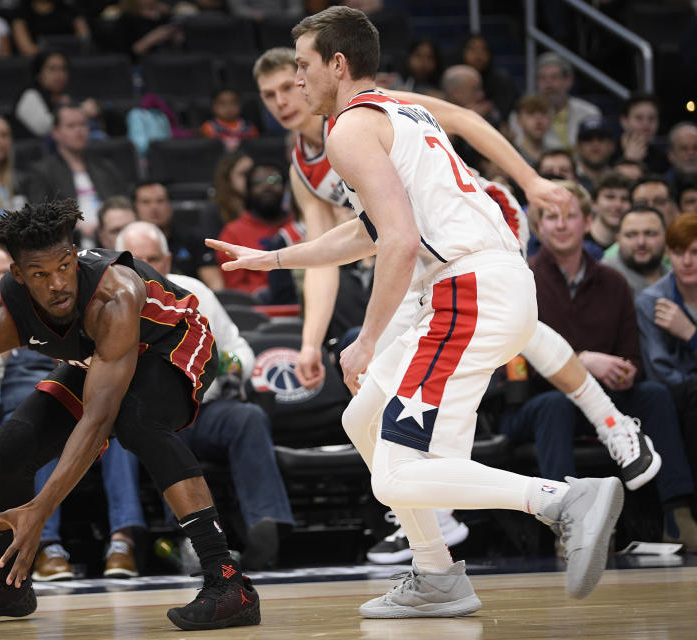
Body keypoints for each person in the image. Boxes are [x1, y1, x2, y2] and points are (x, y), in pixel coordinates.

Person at [212, 8, 625, 617]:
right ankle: (437, 575)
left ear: (337, 64)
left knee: (398, 476)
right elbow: (373, 229)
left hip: (467, 291)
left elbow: (399, 243)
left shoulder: (348, 129)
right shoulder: (399, 111)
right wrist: (271, 260)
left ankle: (563, 501)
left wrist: (367, 338)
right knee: (362, 421)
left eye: (302, 67)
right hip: (482, 284)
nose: (297, 82)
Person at [0, 200, 261, 631]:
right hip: (101, 355)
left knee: (137, 422)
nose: (58, 284)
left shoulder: (113, 294)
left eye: (64, 267)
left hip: (174, 341)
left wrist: (42, 507)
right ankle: (9, 585)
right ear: (18, 276)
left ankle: (228, 582)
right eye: (40, 274)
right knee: (8, 447)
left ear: (75, 257)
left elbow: (97, 422)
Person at [508, 182, 697, 551]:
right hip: (539, 401)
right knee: (556, 405)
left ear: (588, 223)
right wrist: (580, 363)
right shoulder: (521, 279)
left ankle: (678, 516)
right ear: (539, 227)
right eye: (551, 217)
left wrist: (625, 371)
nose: (561, 225)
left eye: (571, 216)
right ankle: (569, 523)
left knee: (654, 395)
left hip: (604, 402)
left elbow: (635, 361)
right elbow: (511, 367)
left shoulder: (614, 282)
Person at [119, 220, 295, 570]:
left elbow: (238, 347)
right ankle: (187, 540)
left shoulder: (194, 291)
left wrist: (234, 366)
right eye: (137, 260)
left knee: (248, 418)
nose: (147, 268)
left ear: (167, 261)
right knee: (151, 433)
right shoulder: (113, 302)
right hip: (153, 419)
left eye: (153, 258)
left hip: (206, 408)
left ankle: (266, 525)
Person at [636, 213, 697, 478]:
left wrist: (690, 333)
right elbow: (659, 371)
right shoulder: (651, 301)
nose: (686, 261)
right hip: (674, 395)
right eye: (677, 251)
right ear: (667, 254)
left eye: (695, 252)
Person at [22, 103, 126, 243]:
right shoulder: (41, 171)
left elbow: (123, 203)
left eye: (83, 124)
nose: (79, 131)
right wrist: (76, 226)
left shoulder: (104, 167)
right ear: (56, 133)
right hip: (69, 240)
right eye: (71, 126)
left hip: (110, 235)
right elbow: (39, 214)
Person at [216, 163, 293, 297]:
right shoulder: (232, 232)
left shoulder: (298, 225)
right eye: (258, 182)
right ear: (248, 191)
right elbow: (235, 287)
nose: (267, 187)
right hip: (258, 309)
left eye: (274, 180)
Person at [133, 181, 224, 291]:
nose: (154, 207)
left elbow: (216, 286)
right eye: (146, 202)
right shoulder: (125, 240)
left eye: (160, 201)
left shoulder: (193, 239)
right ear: (135, 207)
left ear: (170, 205)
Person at [13, 50, 104, 139]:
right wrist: (82, 112)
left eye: (63, 69)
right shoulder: (30, 95)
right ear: (39, 74)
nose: (59, 74)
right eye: (52, 69)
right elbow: (43, 128)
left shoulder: (66, 96)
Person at [601, 206, 669, 298]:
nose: (641, 242)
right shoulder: (602, 277)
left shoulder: (677, 276)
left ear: (666, 237)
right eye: (631, 235)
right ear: (618, 240)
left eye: (650, 234)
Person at [12, 0, 90, 57]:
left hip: (72, 59)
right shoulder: (21, 14)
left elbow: (84, 38)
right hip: (38, 61)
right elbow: (26, 49)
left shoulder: (70, 9)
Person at [583, 171, 631, 260]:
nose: (618, 205)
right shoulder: (579, 240)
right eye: (610, 197)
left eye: (624, 199)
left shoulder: (633, 247)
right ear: (594, 203)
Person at [618, 94, 667, 175]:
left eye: (651, 118)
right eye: (639, 118)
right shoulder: (608, 151)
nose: (646, 124)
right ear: (624, 121)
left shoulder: (662, 159)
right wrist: (627, 161)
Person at [200, 88, 260, 152]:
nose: (228, 107)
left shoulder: (249, 127)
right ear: (213, 107)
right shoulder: (209, 127)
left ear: (240, 105)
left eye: (233, 103)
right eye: (222, 103)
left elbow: (256, 146)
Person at [210, 151, 254, 224]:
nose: (250, 178)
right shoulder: (213, 210)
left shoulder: (260, 206)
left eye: (253, 173)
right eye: (244, 174)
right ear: (227, 177)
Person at [574, 118, 618, 187]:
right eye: (588, 139)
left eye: (601, 139)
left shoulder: (619, 178)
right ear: (578, 147)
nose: (595, 144)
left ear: (612, 146)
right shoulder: (569, 177)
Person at [511, 94, 551, 168]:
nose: (539, 121)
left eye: (543, 113)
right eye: (531, 113)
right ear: (519, 120)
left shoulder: (555, 155)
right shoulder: (510, 154)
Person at [665, 122, 697, 197]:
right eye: (684, 148)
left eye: (696, 148)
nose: (691, 153)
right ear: (671, 154)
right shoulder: (663, 188)